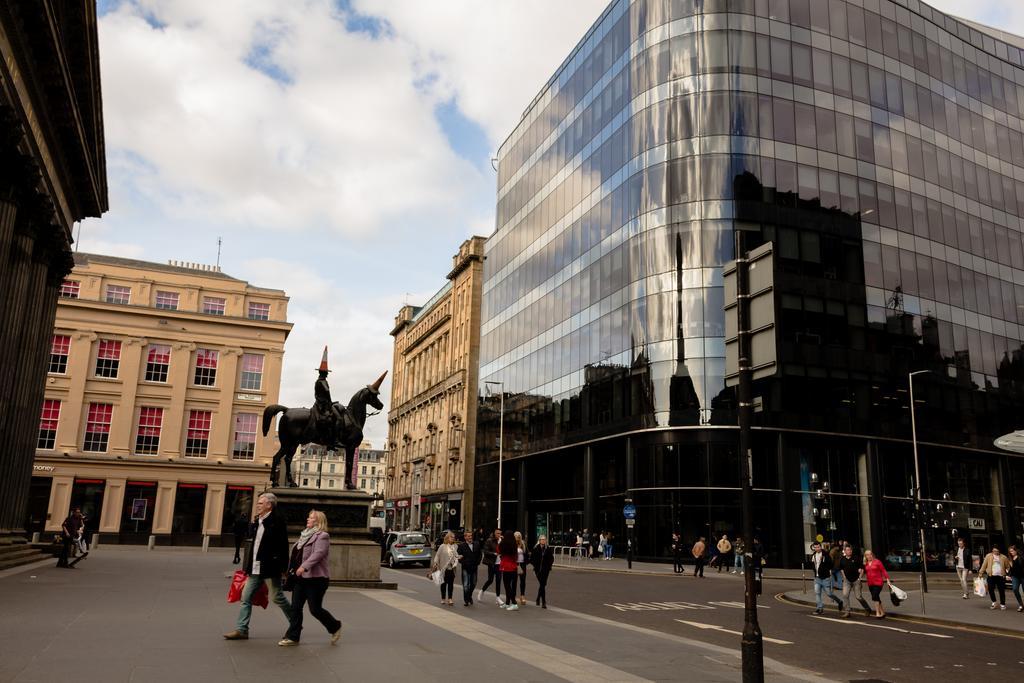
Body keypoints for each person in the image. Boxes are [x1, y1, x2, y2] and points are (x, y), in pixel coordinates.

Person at [224, 493, 292, 640]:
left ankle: (296, 622)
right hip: (255, 566)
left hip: (270, 567)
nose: (257, 505)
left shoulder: (276, 521)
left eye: (261, 503)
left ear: (269, 505)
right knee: (245, 597)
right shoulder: (258, 521)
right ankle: (242, 630)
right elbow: (254, 544)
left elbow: (283, 546)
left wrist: (283, 568)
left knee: (277, 597)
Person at [279, 510, 342, 647]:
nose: (308, 519)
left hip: (316, 579)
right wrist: (288, 570)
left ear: (318, 521)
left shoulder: (322, 536)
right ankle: (293, 636)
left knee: (315, 609)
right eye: (308, 516)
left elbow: (318, 554)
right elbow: (296, 555)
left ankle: (335, 626)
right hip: (299, 579)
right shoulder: (304, 535)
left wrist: (304, 567)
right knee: (295, 608)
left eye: (311, 517)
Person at [810, 541, 843, 615]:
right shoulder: (814, 555)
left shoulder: (825, 554)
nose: (817, 548)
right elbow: (813, 565)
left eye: (818, 547)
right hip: (817, 578)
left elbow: (830, 565)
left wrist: (824, 560)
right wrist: (815, 571)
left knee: (829, 594)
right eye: (815, 547)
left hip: (825, 578)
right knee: (817, 593)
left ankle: (839, 601)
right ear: (814, 548)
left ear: (820, 547)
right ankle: (819, 608)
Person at [838, 544, 868, 618]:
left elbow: (862, 568)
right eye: (847, 550)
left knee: (858, 597)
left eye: (850, 550)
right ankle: (847, 612)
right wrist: (844, 576)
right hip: (847, 581)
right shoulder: (842, 559)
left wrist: (860, 577)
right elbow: (841, 568)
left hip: (856, 580)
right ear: (845, 551)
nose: (849, 551)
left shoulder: (856, 558)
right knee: (845, 595)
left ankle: (867, 609)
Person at [431, 531, 460, 606]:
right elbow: (437, 555)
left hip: (451, 568)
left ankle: (450, 599)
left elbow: (456, 556)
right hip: (443, 569)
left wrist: (457, 558)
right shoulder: (442, 546)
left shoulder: (455, 546)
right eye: (451, 537)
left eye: (454, 537)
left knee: (451, 584)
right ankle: (443, 598)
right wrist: (435, 563)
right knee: (443, 584)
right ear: (447, 538)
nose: (453, 539)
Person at [980, 544, 1011, 610]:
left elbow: (1008, 566)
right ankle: (994, 602)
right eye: (994, 551)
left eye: (997, 551)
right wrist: (981, 573)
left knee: (1001, 590)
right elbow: (984, 565)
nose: (995, 552)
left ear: (999, 551)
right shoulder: (988, 556)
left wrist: (1007, 573)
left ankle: (1002, 604)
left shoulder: (1004, 557)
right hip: (991, 576)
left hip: (1001, 576)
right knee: (990, 589)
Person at [863, 549, 891, 618]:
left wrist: (887, 579)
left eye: (870, 554)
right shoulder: (865, 563)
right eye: (867, 555)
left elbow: (883, 570)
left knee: (875, 596)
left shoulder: (877, 562)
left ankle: (877, 612)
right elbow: (863, 571)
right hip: (870, 583)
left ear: (872, 555)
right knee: (876, 597)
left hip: (878, 582)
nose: (869, 556)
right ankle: (883, 612)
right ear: (865, 556)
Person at [457, 530, 481, 606]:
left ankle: (469, 595)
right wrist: (464, 562)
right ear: (465, 537)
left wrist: (478, 562)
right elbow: (459, 557)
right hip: (465, 568)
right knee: (466, 584)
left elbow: (480, 554)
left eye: (471, 536)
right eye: (468, 536)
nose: (470, 537)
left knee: (473, 583)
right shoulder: (461, 546)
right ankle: (466, 600)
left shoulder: (476, 544)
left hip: (474, 567)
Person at [530, 535, 555, 608]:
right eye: (542, 539)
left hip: (546, 570)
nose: (543, 541)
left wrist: (549, 565)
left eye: (544, 539)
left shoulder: (548, 549)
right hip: (538, 570)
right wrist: (535, 565)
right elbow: (532, 559)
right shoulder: (535, 548)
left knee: (542, 584)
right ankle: (543, 601)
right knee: (542, 584)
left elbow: (551, 558)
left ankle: (539, 599)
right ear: (539, 540)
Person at [478, 529, 502, 604]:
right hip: (492, 563)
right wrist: (494, 554)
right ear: (494, 534)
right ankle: (481, 591)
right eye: (497, 533)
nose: (499, 535)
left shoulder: (502, 541)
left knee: (498, 580)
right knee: (490, 580)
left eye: (500, 533)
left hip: (499, 564)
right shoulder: (489, 540)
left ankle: (498, 598)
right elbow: (485, 551)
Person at [498, 530, 519, 610]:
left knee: (507, 586)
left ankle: (514, 603)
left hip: (506, 567)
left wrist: (501, 541)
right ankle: (507, 603)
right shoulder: (514, 545)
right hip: (513, 567)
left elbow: (498, 550)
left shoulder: (503, 545)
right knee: (512, 586)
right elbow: (516, 557)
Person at [1008, 545, 1024, 612]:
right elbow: (1011, 569)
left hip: (1023, 576)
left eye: (1012, 551)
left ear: (1016, 550)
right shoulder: (1010, 559)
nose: (1011, 552)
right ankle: (1021, 605)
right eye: (1010, 551)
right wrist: (1008, 575)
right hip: (1015, 577)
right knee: (1015, 589)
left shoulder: (1021, 557)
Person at [514, 531, 529, 605]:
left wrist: (526, 561)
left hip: (522, 564)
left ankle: (522, 596)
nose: (518, 537)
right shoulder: (512, 544)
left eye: (519, 536)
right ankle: (513, 596)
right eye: (516, 536)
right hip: (514, 564)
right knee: (514, 580)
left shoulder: (523, 543)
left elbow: (527, 553)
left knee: (522, 580)